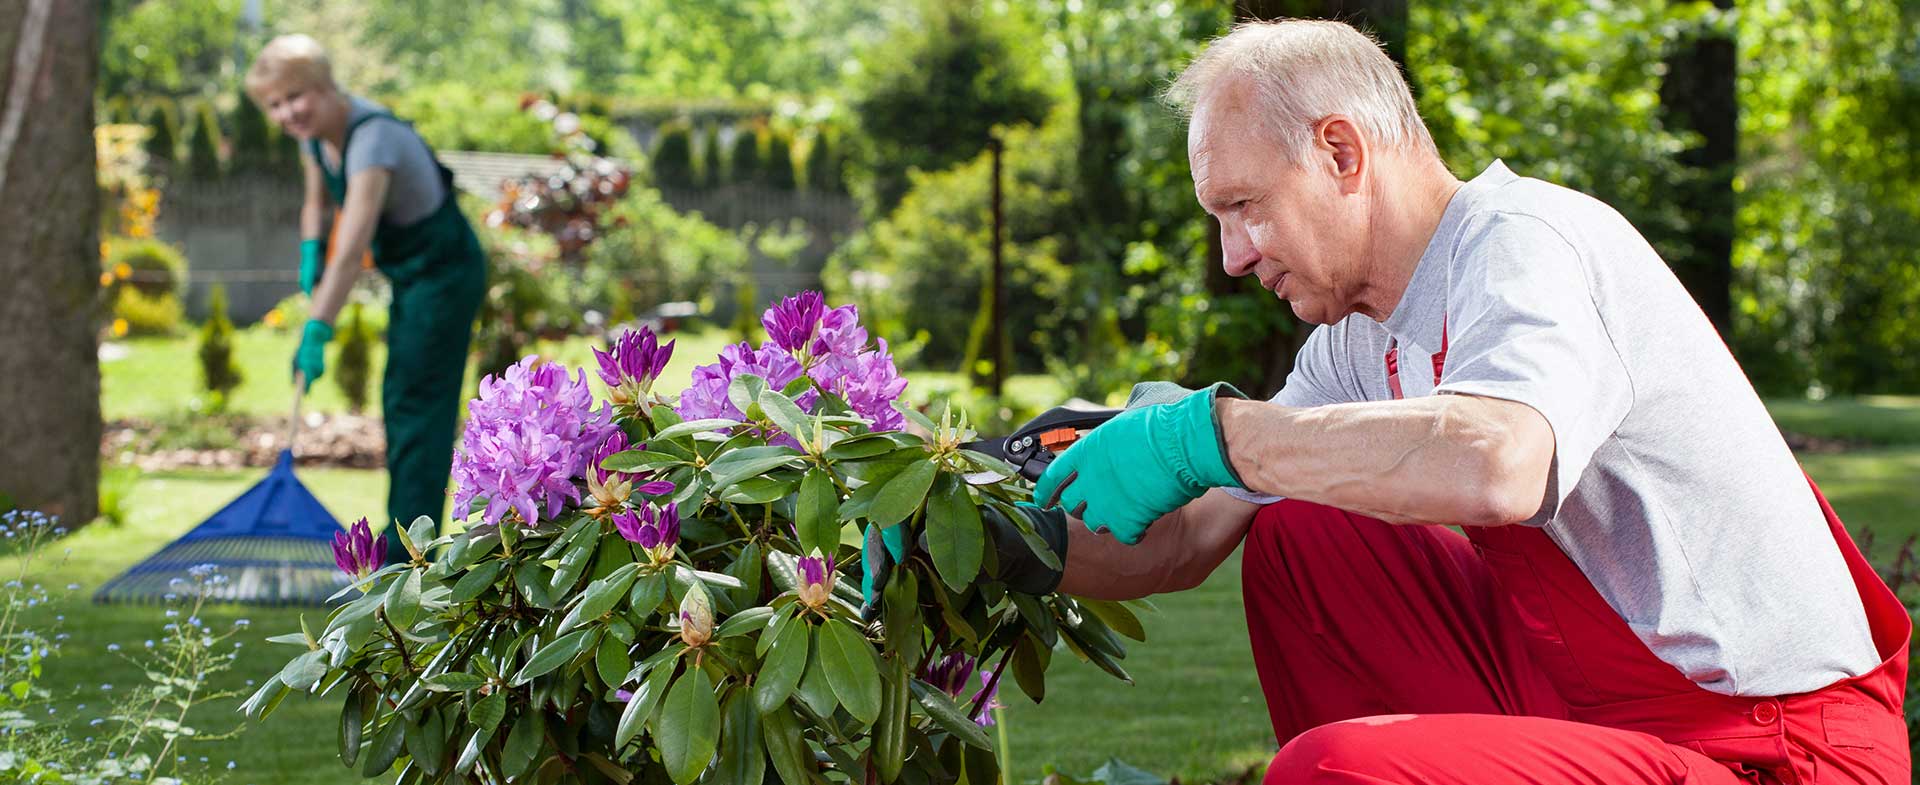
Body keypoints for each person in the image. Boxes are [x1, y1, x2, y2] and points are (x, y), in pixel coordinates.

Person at [862, 18, 1907, 785]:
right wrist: (983, 525)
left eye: (1243, 207)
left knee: (1336, 770)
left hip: (1774, 745)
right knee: (1302, 534)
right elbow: (1183, 543)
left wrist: (1217, 429)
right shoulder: (1354, 340)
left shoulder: (1524, 243)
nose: (1233, 256)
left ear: (1341, 151)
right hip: (1585, 697)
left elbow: (1502, 460)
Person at [245, 34, 487, 564]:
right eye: (275, 105)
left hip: (445, 272)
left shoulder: (372, 140)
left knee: (418, 400)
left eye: (295, 97)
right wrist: (310, 246)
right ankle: (406, 530)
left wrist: (318, 327)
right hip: (413, 276)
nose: (287, 113)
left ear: (327, 85)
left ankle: (410, 548)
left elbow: (353, 247)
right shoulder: (316, 137)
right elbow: (316, 203)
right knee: (400, 397)